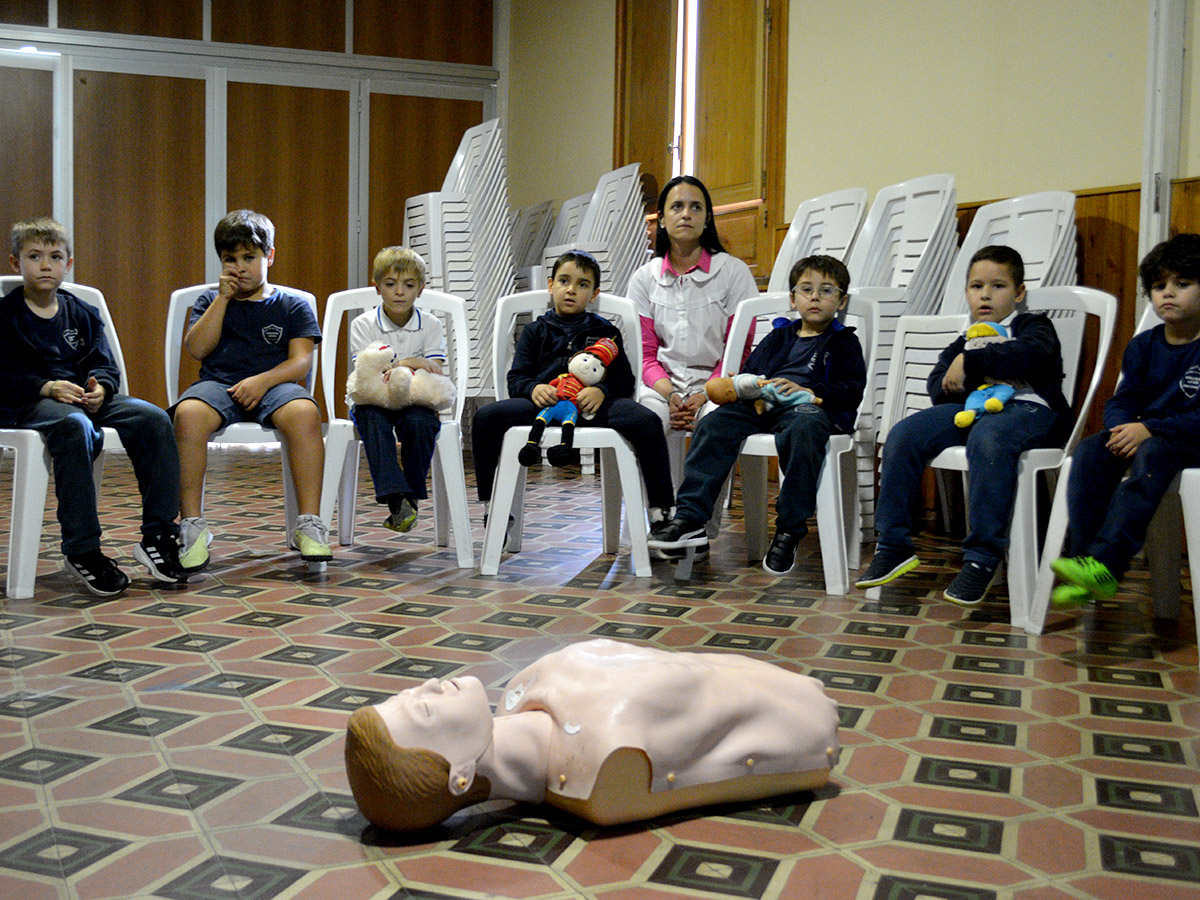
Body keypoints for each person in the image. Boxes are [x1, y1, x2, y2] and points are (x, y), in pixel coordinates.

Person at [344, 638, 841, 831]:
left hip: (785, 687)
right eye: (425, 708)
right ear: (461, 777)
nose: (429, 683)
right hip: (804, 716)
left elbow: (692, 666)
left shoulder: (521, 690)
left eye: (411, 692)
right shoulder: (604, 774)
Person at [856, 245, 1070, 606]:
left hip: (1031, 411)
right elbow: (940, 386)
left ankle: (982, 558)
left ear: (1019, 293)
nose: (985, 294)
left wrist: (970, 362)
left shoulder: (1031, 325)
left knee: (989, 438)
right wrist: (965, 368)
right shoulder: (966, 336)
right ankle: (893, 544)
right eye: (976, 286)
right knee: (903, 434)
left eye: (998, 286)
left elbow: (1032, 355)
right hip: (972, 411)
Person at [0, 217, 186, 595]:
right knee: (74, 426)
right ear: (15, 263)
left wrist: (102, 386)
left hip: (82, 398)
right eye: (34, 256)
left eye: (55, 256)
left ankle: (159, 535)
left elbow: (103, 362)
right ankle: (82, 548)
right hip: (28, 404)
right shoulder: (5, 316)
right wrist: (46, 386)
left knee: (153, 418)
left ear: (69, 264)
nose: (46, 265)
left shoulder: (81, 312)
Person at [649, 255, 866, 575]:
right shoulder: (779, 336)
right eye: (806, 289)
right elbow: (751, 374)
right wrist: (751, 385)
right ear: (793, 299)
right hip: (763, 406)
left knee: (803, 428)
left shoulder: (845, 342)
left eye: (827, 290)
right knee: (714, 423)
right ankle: (690, 519)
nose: (815, 297)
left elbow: (851, 390)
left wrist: (813, 393)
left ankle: (790, 528)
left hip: (811, 409)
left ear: (841, 300)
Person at [471, 250, 675, 547]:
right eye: (564, 281)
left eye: (582, 284)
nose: (571, 289)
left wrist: (602, 390)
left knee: (647, 420)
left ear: (594, 294)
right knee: (485, 418)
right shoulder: (534, 331)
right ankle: (493, 512)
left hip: (593, 407)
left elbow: (624, 380)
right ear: (551, 285)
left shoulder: (606, 331)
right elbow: (516, 378)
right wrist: (533, 389)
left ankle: (661, 513)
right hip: (545, 407)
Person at [171, 210, 329, 571]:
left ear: (269, 256)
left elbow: (301, 361)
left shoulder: (293, 305)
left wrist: (263, 381)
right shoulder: (208, 302)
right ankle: (193, 526)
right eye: (230, 259)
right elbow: (197, 348)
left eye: (249, 257)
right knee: (188, 414)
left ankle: (309, 522)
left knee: (305, 413)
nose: (240, 267)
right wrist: (222, 300)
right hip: (218, 385)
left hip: (276, 385)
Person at [1049, 233, 1200, 609]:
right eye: (1159, 285)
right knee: (1088, 453)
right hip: (1147, 436)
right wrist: (1120, 429)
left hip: (1186, 440)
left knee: (1151, 457)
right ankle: (1086, 560)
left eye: (1182, 284)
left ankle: (1107, 564)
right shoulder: (1144, 345)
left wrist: (1150, 429)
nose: (1168, 293)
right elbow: (1122, 400)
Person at [629, 175, 759, 437]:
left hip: (719, 384)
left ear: (707, 218)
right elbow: (644, 354)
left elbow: (740, 348)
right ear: (662, 219)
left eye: (696, 207)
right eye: (677, 207)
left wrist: (704, 394)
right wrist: (670, 394)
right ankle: (656, 482)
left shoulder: (733, 272)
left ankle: (699, 481)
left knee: (717, 423)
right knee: (643, 420)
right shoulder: (644, 278)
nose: (686, 214)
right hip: (661, 386)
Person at [348, 247, 445, 533]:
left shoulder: (431, 324)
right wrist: (409, 362)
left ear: (421, 289)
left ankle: (408, 497)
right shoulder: (363, 323)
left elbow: (433, 370)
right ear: (377, 287)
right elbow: (367, 372)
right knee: (373, 422)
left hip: (415, 398)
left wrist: (396, 366)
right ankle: (398, 498)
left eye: (409, 285)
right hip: (373, 399)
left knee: (421, 423)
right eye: (390, 284)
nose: (399, 292)